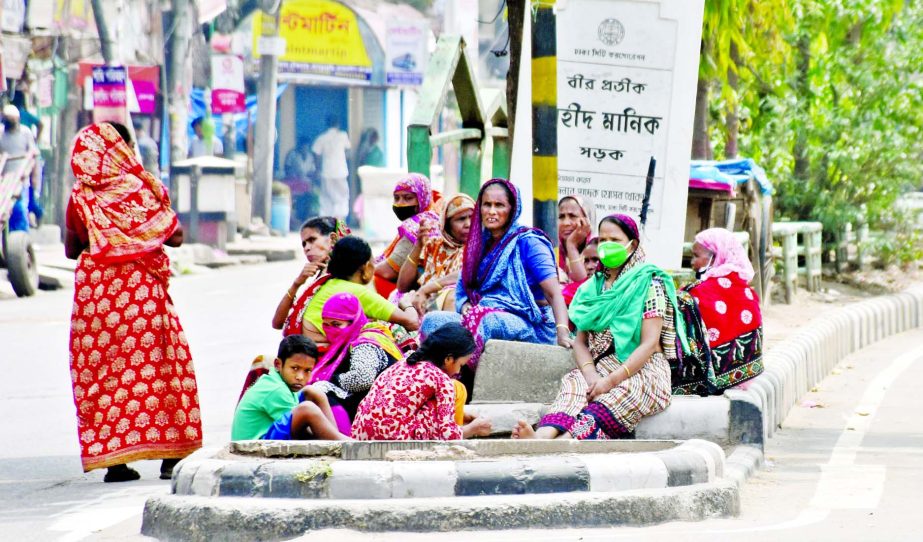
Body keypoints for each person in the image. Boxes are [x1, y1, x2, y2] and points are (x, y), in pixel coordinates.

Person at [64, 122, 202, 481]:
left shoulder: (81, 197)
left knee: (105, 376)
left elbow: (71, 249)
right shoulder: (140, 188)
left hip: (97, 302)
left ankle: (114, 462)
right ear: (121, 149)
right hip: (142, 297)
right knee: (162, 368)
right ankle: (172, 456)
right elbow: (176, 237)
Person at [514, 214, 690, 440]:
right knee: (574, 385)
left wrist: (610, 381)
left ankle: (562, 444)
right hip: (601, 368)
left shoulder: (649, 283)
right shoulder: (591, 289)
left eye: (614, 240)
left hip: (644, 370)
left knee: (613, 398)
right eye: (603, 240)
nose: (607, 246)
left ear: (632, 245)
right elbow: (580, 341)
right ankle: (541, 438)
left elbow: (649, 344)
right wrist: (591, 376)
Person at [422, 178, 572, 397]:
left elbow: (553, 292)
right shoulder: (479, 243)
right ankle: (429, 379)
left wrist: (562, 331)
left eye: (499, 205)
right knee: (433, 321)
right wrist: (464, 306)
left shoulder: (529, 242)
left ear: (512, 209)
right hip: (482, 315)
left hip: (531, 321)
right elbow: (464, 285)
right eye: (486, 204)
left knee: (485, 318)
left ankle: (460, 384)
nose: (491, 211)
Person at [351, 323, 492, 440]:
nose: (458, 372)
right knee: (458, 388)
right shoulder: (441, 380)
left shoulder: (404, 361)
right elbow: (448, 436)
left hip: (359, 435)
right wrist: (474, 428)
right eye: (460, 365)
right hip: (393, 441)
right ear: (448, 359)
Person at [308, 293, 403, 435]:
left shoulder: (366, 343)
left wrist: (331, 380)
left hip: (383, 411)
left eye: (336, 324)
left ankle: (343, 440)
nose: (330, 330)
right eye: (326, 325)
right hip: (373, 403)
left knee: (321, 391)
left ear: (354, 321)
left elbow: (362, 378)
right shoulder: (352, 339)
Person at [301, 236, 419, 349]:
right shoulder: (357, 292)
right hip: (322, 352)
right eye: (374, 263)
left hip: (306, 346)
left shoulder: (328, 283)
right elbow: (412, 322)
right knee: (396, 331)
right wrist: (407, 303)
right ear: (366, 267)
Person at [683, 228, 763, 392]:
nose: (692, 262)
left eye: (696, 256)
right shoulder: (744, 289)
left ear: (715, 258)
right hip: (744, 377)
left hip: (710, 378)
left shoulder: (705, 291)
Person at [231, 335, 348, 441]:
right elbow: (303, 430)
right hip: (255, 446)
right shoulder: (276, 390)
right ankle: (340, 442)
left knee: (313, 392)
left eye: (307, 370)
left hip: (268, 434)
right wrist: (321, 433)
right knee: (307, 409)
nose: (300, 377)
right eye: (295, 368)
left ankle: (335, 439)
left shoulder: (278, 381)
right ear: (278, 365)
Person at [397, 193, 475, 315]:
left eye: (472, 217)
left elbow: (465, 273)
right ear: (447, 224)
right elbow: (402, 286)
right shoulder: (434, 245)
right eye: (461, 219)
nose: (468, 224)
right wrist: (418, 246)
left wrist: (426, 289)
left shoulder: (480, 247)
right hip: (425, 304)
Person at [272, 217, 351, 336]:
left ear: (333, 239)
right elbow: (277, 323)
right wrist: (297, 283)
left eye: (312, 240)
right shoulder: (316, 279)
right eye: (304, 244)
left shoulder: (346, 275)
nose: (306, 248)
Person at [373, 173, 440, 298]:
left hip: (416, 291)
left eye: (408, 198)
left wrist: (362, 267)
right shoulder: (433, 217)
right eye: (396, 198)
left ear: (422, 198)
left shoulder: (418, 225)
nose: (400, 203)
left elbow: (389, 271)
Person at [1, 104, 38, 231]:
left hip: (20, 180)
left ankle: (21, 237)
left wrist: (34, 177)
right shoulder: (0, 133)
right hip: (3, 181)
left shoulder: (25, 132)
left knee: (19, 209)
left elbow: (33, 154)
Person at [312, 116, 351, 219]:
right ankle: (340, 221)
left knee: (326, 197)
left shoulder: (322, 138)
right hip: (341, 171)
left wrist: (317, 168)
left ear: (326, 124)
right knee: (342, 197)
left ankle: (327, 222)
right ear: (337, 124)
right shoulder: (343, 136)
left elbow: (316, 154)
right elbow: (348, 150)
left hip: (327, 171)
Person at [557, 195, 595, 283]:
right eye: (561, 217)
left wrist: (571, 246)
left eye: (572, 216)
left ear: (587, 220)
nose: (566, 223)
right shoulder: (553, 252)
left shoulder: (597, 252)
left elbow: (583, 286)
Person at [283, 139, 317, 226]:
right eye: (303, 146)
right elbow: (287, 167)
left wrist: (310, 178)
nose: (305, 148)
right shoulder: (292, 154)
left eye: (307, 147)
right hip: (293, 180)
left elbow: (312, 171)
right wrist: (294, 175)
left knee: (309, 194)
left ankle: (305, 218)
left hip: (306, 181)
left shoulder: (310, 156)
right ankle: (294, 219)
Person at [561, 238, 599, 306]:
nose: (589, 267)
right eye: (586, 261)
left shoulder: (620, 287)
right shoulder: (577, 290)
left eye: (595, 260)